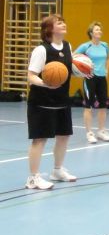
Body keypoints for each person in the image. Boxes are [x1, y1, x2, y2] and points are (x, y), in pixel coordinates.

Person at [25, 14, 78, 189]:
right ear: (49, 29)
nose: (63, 24)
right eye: (59, 23)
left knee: (64, 136)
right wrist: (45, 83)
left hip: (62, 100)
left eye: (64, 22)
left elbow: (68, 70)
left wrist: (82, 71)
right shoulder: (41, 50)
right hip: (41, 101)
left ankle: (57, 170)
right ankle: (33, 178)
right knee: (40, 139)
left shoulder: (68, 46)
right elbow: (31, 76)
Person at [75, 21, 109, 144]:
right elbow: (73, 58)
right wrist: (81, 72)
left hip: (102, 78)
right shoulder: (85, 46)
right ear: (91, 33)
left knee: (103, 105)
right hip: (90, 78)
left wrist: (106, 70)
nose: (99, 31)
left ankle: (101, 130)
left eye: (100, 29)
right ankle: (89, 133)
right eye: (97, 29)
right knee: (89, 106)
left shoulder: (105, 46)